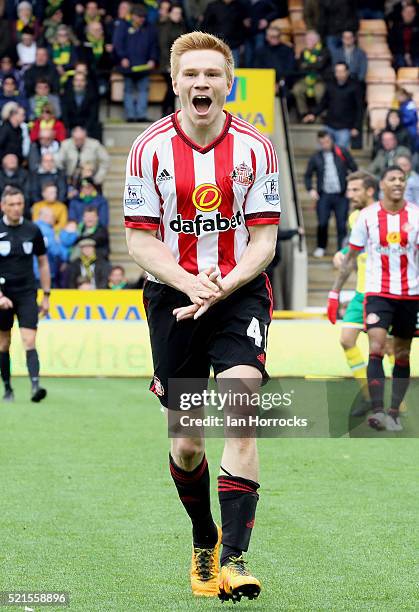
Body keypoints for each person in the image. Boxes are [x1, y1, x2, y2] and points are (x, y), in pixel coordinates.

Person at [125, 31, 280, 602]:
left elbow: (264, 243)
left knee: (242, 406)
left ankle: (236, 562)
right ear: (175, 82)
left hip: (238, 291)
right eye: (191, 74)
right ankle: (204, 537)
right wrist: (190, 283)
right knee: (187, 441)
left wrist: (223, 286)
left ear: (228, 81)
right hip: (173, 297)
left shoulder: (257, 149)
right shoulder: (148, 149)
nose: (202, 83)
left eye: (213, 74)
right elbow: (141, 243)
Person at [327, 166, 419, 432]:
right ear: (382, 185)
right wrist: (334, 293)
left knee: (401, 352)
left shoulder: (415, 215)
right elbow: (350, 257)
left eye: (402, 179)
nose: (398, 183)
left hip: (410, 293)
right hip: (377, 292)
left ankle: (394, 413)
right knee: (376, 346)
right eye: (393, 179)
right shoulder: (366, 218)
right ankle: (377, 410)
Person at [330, 171, 377, 416]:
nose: (350, 195)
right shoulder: (355, 217)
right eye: (349, 190)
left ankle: (395, 402)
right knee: (347, 340)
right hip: (361, 292)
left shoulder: (381, 215)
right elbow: (358, 246)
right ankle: (370, 396)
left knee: (389, 348)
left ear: (370, 190)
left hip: (384, 291)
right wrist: (344, 252)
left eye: (355, 190)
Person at [0, 185, 50, 402]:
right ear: (3, 206)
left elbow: (43, 262)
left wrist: (47, 294)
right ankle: (8, 389)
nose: (16, 208)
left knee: (29, 339)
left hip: (27, 292)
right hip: (2, 294)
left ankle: (35, 387)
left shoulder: (33, 230)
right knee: (3, 343)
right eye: (12, 204)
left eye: (19, 204)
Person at [304, 130, 357, 256]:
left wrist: (351, 187)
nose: (325, 144)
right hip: (324, 195)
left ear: (332, 140)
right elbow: (308, 175)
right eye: (322, 142)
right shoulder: (316, 157)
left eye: (327, 141)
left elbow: (354, 169)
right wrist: (310, 189)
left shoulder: (341, 152)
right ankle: (321, 246)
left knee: (341, 223)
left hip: (341, 195)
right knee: (322, 222)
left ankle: (341, 250)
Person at [114, 4, 158, 122]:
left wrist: (152, 59)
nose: (142, 19)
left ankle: (141, 115)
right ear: (133, 16)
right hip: (128, 66)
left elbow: (153, 45)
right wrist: (122, 58)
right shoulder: (123, 26)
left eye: (143, 17)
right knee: (128, 90)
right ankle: (130, 116)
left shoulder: (149, 28)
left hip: (144, 66)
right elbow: (118, 44)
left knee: (144, 90)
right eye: (139, 17)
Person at [303, 62, 362, 149]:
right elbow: (323, 103)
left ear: (347, 72)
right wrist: (313, 114)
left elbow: (359, 108)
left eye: (342, 71)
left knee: (340, 155)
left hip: (345, 128)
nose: (339, 74)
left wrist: (356, 127)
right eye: (337, 71)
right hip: (329, 126)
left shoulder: (355, 87)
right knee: (321, 152)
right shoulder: (330, 85)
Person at [291, 30, 331, 120]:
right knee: (297, 89)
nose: (308, 41)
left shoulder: (324, 51)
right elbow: (300, 67)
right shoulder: (303, 52)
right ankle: (304, 114)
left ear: (317, 41)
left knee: (320, 92)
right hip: (305, 79)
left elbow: (320, 65)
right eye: (308, 39)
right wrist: (313, 65)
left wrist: (307, 65)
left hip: (319, 79)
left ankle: (321, 115)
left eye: (311, 39)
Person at [252, 25, 296, 96]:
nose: (275, 38)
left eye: (277, 36)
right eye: (272, 37)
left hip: (284, 83)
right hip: (265, 83)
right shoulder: (261, 52)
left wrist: (280, 83)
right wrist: (271, 84)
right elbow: (257, 69)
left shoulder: (288, 50)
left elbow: (290, 69)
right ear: (267, 37)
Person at [388, 2, 419, 68]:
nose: (409, 14)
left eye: (411, 12)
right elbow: (391, 43)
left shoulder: (417, 27)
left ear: (415, 14)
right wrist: (404, 54)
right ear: (402, 13)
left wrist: (410, 55)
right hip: (400, 54)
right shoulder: (396, 27)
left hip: (415, 55)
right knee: (400, 62)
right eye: (407, 12)